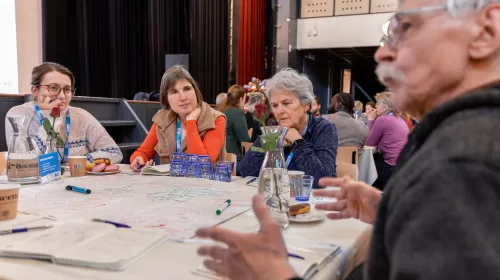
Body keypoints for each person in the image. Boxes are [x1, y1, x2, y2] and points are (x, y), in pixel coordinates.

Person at [195, 1, 500, 279]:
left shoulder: (462, 161)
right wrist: (395, 211)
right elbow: (249, 170)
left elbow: (322, 175)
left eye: (405, 27)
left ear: (486, 32)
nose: (382, 54)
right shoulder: (454, 139)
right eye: (275, 105)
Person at [5, 62, 122, 164]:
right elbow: (24, 164)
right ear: (35, 90)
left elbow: (113, 153)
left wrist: (72, 165)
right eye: (53, 88)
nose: (62, 96)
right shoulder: (18, 115)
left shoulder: (80, 115)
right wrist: (48, 117)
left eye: (67, 89)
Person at [240, 68, 337, 188]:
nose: (279, 111)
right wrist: (265, 141)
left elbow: (322, 180)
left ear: (306, 104)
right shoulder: (275, 126)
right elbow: (245, 171)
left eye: (286, 103)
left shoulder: (323, 129)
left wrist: (297, 141)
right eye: (275, 105)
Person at [130, 65, 226, 170]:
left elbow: (202, 164)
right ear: (166, 99)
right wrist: (138, 159)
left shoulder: (216, 119)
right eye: (174, 92)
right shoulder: (162, 120)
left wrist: (191, 122)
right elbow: (143, 152)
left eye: (187, 89)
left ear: (195, 91)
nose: (183, 97)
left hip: (207, 184)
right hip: (171, 184)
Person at [366, 92, 408, 190]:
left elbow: (369, 143)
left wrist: (370, 119)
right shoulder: (400, 119)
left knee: (366, 164)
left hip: (391, 169)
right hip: (402, 166)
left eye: (377, 104)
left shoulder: (383, 120)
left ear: (385, 107)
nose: (375, 107)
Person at [218, 85, 250, 156]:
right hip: (232, 158)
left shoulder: (221, 109)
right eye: (245, 99)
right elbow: (245, 140)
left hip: (219, 155)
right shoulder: (236, 113)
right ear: (241, 99)